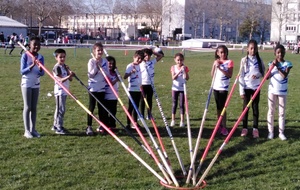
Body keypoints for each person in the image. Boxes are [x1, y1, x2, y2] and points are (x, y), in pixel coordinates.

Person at [239, 39, 265, 138]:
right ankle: (244, 128)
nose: (253, 50)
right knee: (245, 108)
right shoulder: (243, 60)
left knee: (255, 108)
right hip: (246, 87)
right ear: (247, 49)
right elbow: (241, 75)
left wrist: (257, 75)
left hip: (256, 88)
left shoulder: (259, 60)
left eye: (255, 48)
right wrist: (241, 91)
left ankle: (255, 129)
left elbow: (263, 72)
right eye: (251, 48)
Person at [20, 36, 45, 138]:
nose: (36, 46)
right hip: (26, 83)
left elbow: (42, 73)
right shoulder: (25, 56)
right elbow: (22, 71)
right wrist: (32, 65)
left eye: (38, 45)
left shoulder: (41, 57)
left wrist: (39, 68)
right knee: (27, 107)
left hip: (36, 83)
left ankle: (33, 129)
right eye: (34, 44)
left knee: (34, 107)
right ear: (30, 45)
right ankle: (27, 131)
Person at [267, 44, 292, 141]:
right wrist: (272, 66)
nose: (280, 54)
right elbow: (267, 76)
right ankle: (271, 132)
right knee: (271, 111)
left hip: (282, 91)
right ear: (275, 53)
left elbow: (284, 75)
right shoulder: (271, 63)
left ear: (284, 53)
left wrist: (277, 66)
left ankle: (281, 132)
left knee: (281, 112)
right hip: (272, 91)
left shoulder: (287, 64)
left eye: (282, 52)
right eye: (278, 52)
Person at [86, 42, 109, 135]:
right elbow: (90, 75)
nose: (100, 52)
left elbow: (107, 74)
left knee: (101, 108)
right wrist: (96, 67)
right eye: (98, 50)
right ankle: (89, 126)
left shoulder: (105, 62)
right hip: (93, 88)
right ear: (94, 51)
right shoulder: (91, 61)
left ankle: (101, 125)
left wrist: (102, 69)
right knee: (91, 107)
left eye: (101, 50)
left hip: (102, 88)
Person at [211, 45, 234, 136]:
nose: (223, 54)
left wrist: (220, 68)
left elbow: (229, 75)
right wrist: (214, 65)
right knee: (218, 108)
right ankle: (219, 125)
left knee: (223, 108)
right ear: (217, 53)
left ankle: (224, 126)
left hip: (223, 88)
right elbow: (212, 75)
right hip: (216, 87)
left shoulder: (229, 62)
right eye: (221, 52)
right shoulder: (216, 62)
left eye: (224, 52)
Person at [52, 49, 74, 134]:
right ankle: (58, 127)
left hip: (65, 90)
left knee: (60, 109)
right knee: (61, 109)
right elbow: (61, 80)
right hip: (60, 91)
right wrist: (69, 76)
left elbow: (71, 79)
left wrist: (69, 72)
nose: (62, 59)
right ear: (56, 58)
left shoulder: (64, 66)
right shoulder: (57, 67)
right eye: (60, 57)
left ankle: (55, 125)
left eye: (64, 57)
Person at [140, 48, 164, 120]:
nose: (147, 57)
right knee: (142, 100)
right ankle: (141, 115)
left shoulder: (152, 62)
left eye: (149, 55)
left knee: (149, 99)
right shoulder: (140, 63)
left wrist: (152, 52)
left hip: (150, 84)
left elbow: (160, 56)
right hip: (142, 84)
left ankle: (149, 115)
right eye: (145, 55)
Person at [123, 50, 145, 129]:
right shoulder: (130, 66)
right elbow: (125, 77)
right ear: (134, 57)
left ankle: (135, 122)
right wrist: (131, 72)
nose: (139, 60)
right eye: (138, 58)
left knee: (137, 106)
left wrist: (141, 86)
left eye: (141, 59)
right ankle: (128, 123)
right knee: (131, 106)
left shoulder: (140, 66)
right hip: (132, 89)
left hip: (138, 89)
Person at [170, 53, 189, 127]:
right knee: (174, 104)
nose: (179, 62)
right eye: (178, 60)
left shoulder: (185, 67)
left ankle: (182, 121)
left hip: (182, 88)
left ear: (183, 60)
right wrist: (179, 71)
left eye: (181, 60)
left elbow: (187, 78)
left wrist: (184, 71)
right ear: (175, 60)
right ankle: (173, 120)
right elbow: (173, 77)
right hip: (175, 88)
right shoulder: (173, 67)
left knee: (181, 104)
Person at [103, 56, 119, 130]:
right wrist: (117, 79)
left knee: (113, 111)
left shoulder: (115, 72)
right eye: (109, 63)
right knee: (105, 112)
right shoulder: (105, 72)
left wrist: (117, 74)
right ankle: (105, 125)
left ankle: (112, 125)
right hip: (106, 95)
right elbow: (110, 83)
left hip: (114, 95)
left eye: (112, 64)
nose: (111, 65)